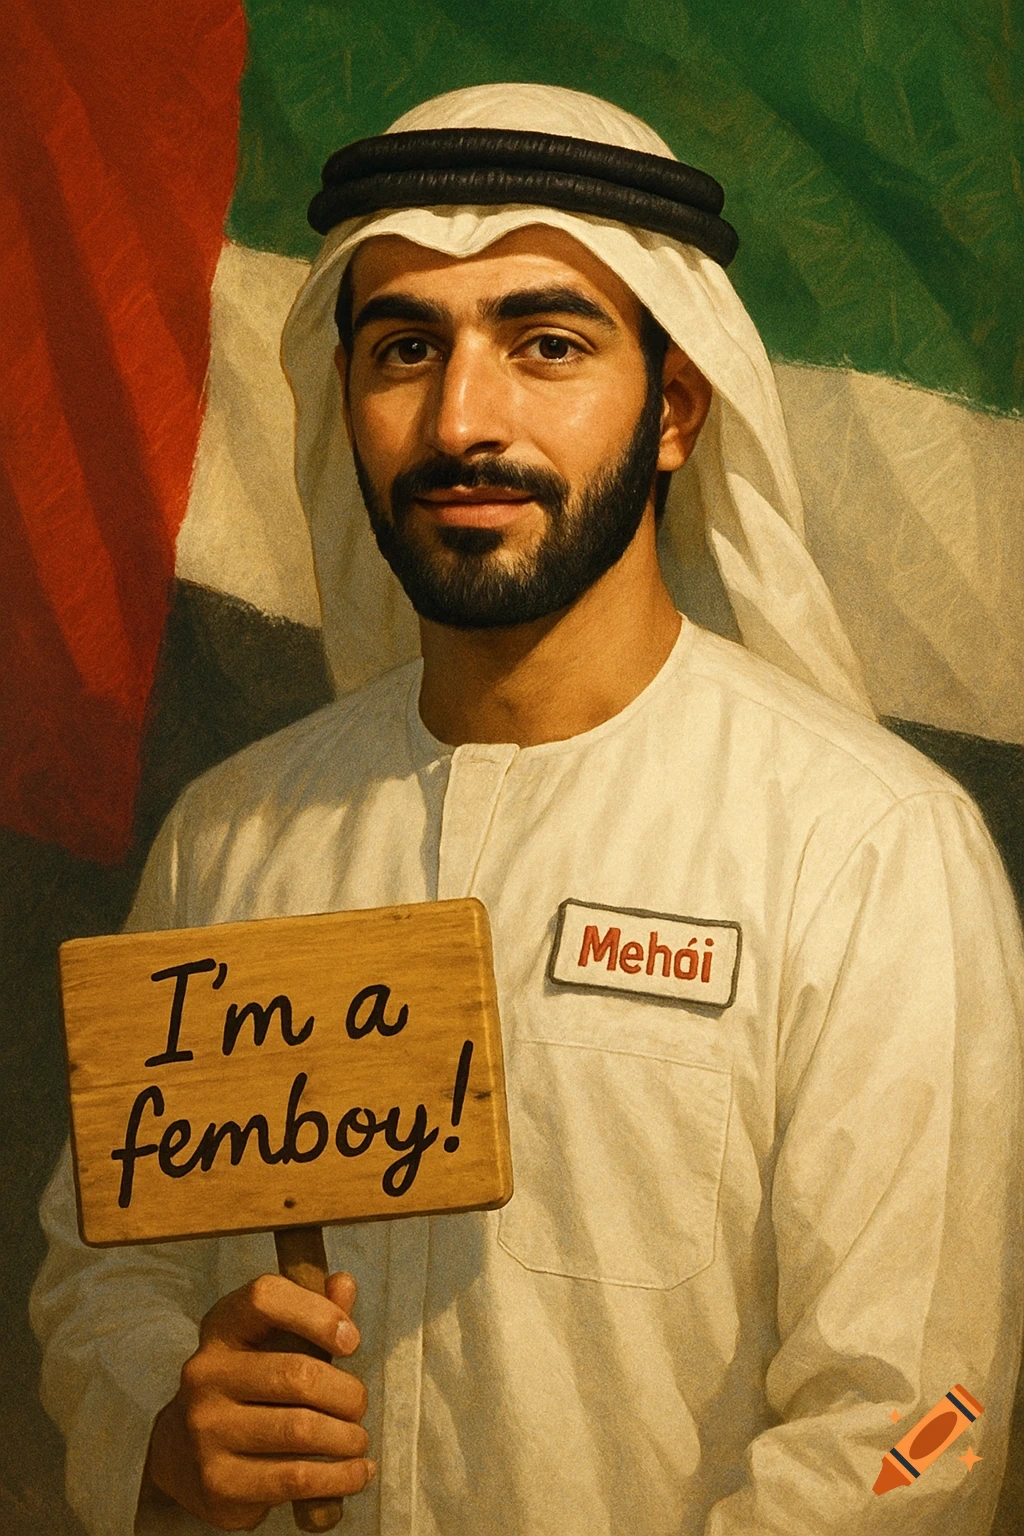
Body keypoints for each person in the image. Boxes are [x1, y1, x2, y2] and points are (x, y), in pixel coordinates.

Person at [31, 83, 1024, 1536]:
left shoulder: (866, 851)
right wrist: (168, 1421)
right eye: (404, 349)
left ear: (675, 408)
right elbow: (99, 1273)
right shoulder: (236, 836)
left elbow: (916, 1426)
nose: (461, 420)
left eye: (545, 343)